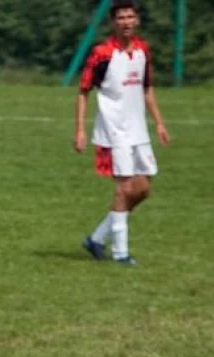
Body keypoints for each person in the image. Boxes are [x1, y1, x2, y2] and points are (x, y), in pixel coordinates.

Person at [75, 0, 170, 265]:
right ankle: (120, 254)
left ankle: (97, 238)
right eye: (121, 17)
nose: (126, 21)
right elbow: (83, 92)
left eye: (130, 16)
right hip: (113, 132)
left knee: (142, 190)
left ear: (137, 20)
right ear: (113, 22)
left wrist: (159, 123)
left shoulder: (142, 50)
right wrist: (80, 129)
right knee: (123, 188)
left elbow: (147, 89)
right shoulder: (102, 53)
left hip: (138, 131)